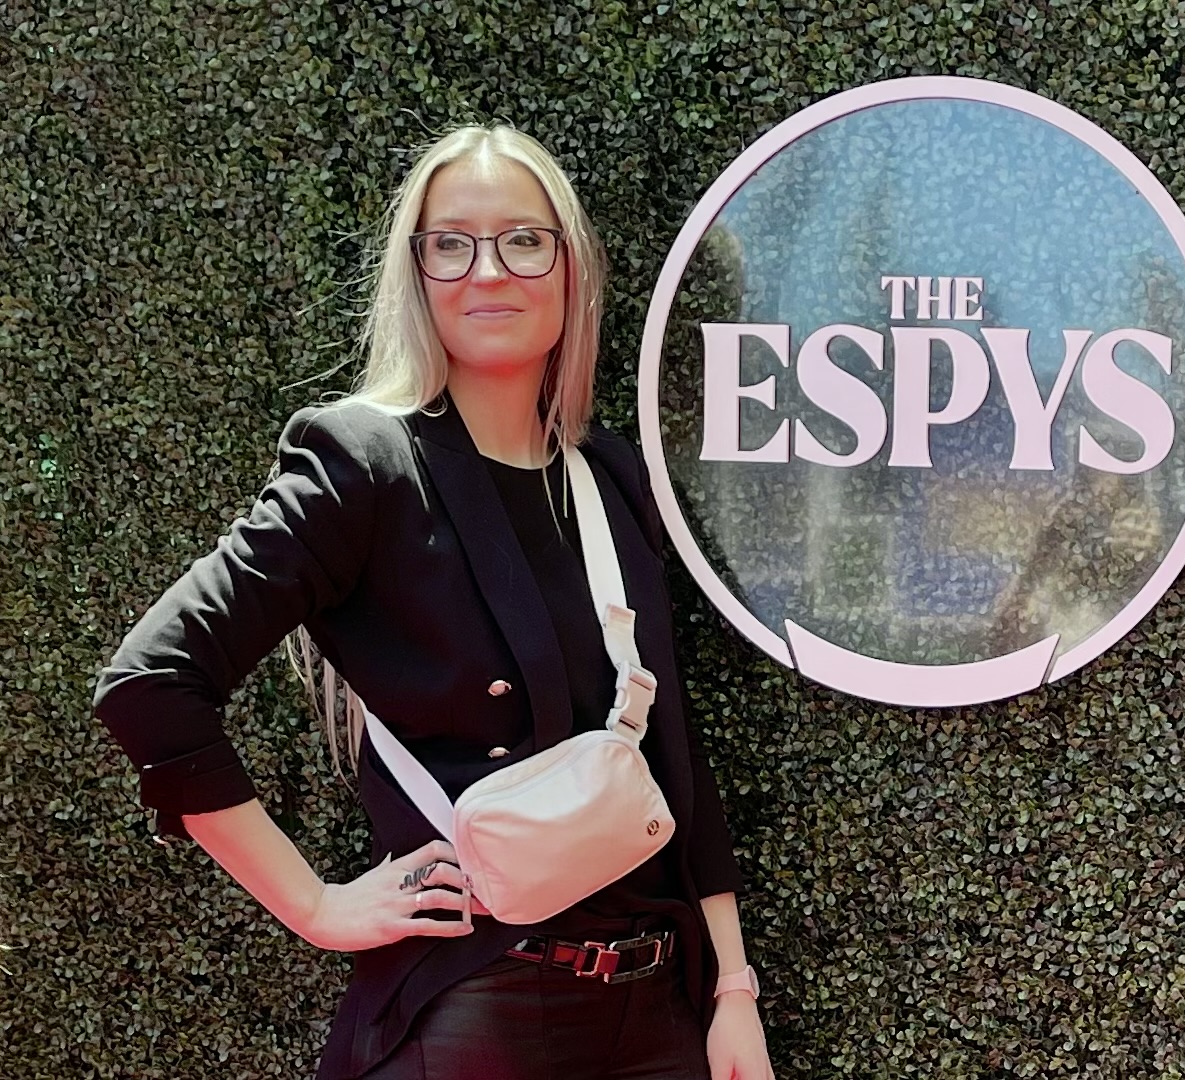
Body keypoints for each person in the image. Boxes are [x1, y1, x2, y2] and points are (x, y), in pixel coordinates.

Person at [91, 123, 774, 1080]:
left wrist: (732, 989)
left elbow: (673, 754)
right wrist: (317, 908)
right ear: (416, 274)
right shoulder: (361, 464)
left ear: (571, 268)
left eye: (523, 240)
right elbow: (149, 683)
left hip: (657, 1015)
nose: (488, 270)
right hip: (472, 1019)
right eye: (451, 244)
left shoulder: (610, 478)